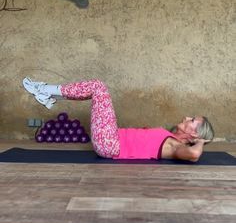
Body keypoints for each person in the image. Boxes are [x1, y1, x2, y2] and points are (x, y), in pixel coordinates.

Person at [22, 77, 214, 162]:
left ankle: (45, 90)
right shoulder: (168, 135)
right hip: (110, 139)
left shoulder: (174, 146)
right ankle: (49, 94)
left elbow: (194, 155)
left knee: (98, 87)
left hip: (110, 144)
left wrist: (201, 142)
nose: (187, 117)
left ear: (194, 133)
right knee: (96, 90)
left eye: (192, 121)